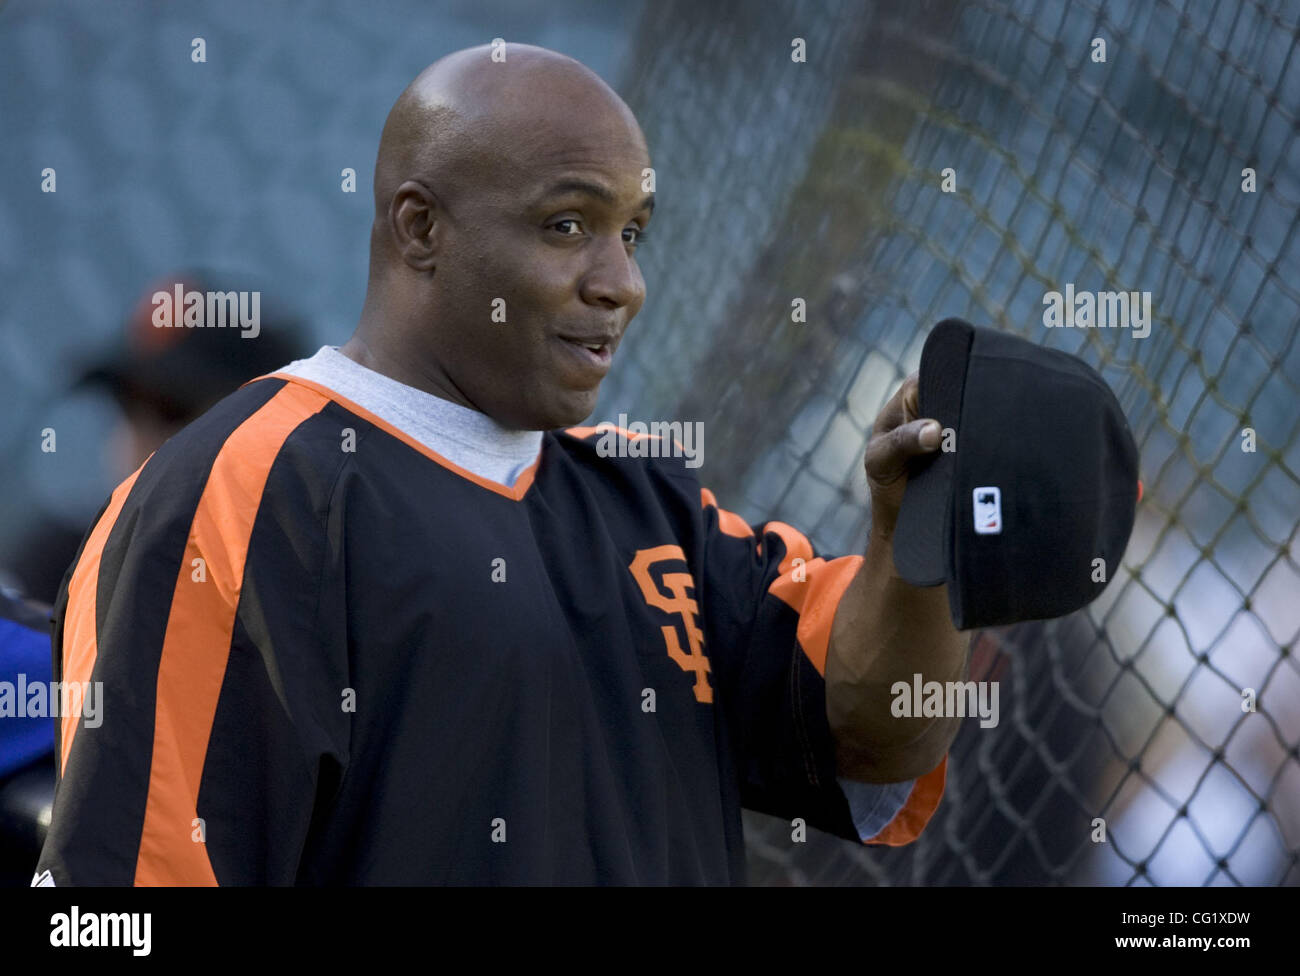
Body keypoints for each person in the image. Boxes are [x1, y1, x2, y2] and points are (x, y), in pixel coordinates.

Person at [33, 43, 969, 885]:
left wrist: (917, 536)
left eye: (633, 232)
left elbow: (874, 731)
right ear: (421, 229)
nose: (623, 283)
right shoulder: (248, 490)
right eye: (568, 225)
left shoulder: (658, 507)